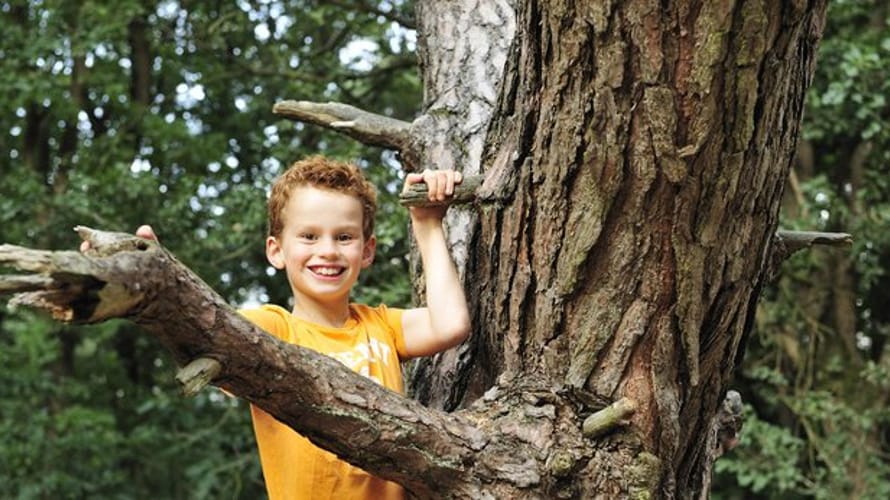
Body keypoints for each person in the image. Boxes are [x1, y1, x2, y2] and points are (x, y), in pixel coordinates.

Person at [96, 156, 470, 499]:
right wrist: (160, 283)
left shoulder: (381, 325)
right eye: (309, 236)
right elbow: (204, 334)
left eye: (344, 236)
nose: (328, 250)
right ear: (276, 250)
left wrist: (428, 223)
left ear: (367, 250)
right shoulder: (271, 328)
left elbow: (450, 324)